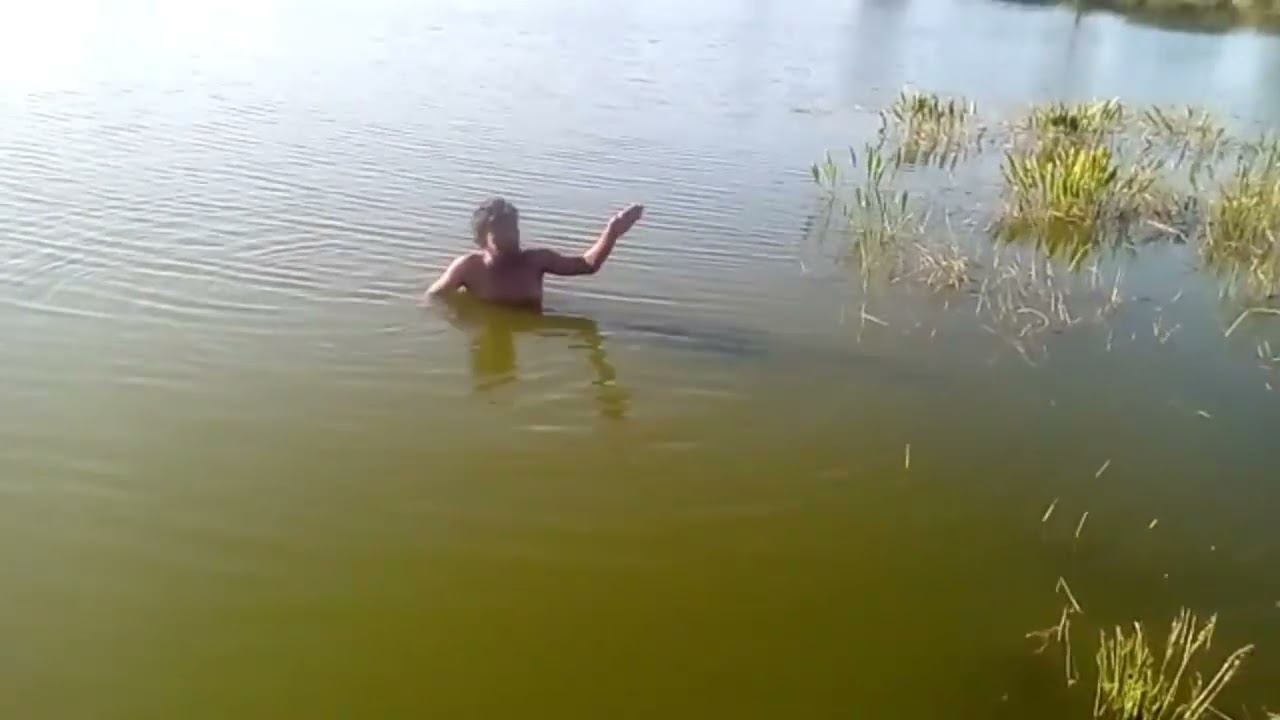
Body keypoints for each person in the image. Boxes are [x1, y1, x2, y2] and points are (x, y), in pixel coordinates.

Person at [425, 197, 644, 307]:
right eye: (501, 232)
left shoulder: (535, 261)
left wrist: (611, 233)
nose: (510, 237)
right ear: (482, 239)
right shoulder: (468, 267)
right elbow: (432, 299)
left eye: (513, 228)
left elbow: (587, 265)